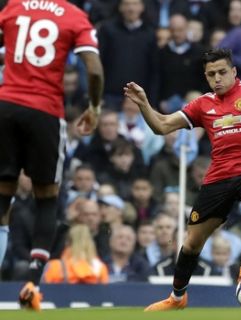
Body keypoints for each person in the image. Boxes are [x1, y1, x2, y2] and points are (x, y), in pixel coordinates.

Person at [123, 48, 241, 311]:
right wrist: (144, 104)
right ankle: (177, 297)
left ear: (234, 72)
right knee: (192, 242)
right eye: (211, 74)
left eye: (222, 72)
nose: (217, 78)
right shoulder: (202, 104)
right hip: (218, 178)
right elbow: (161, 126)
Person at [0, 0, 104, 311]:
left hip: (5, 106)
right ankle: (32, 283)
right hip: (44, 112)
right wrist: (94, 107)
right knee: (47, 195)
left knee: (3, 193)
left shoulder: (13, 8)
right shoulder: (74, 16)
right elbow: (95, 70)